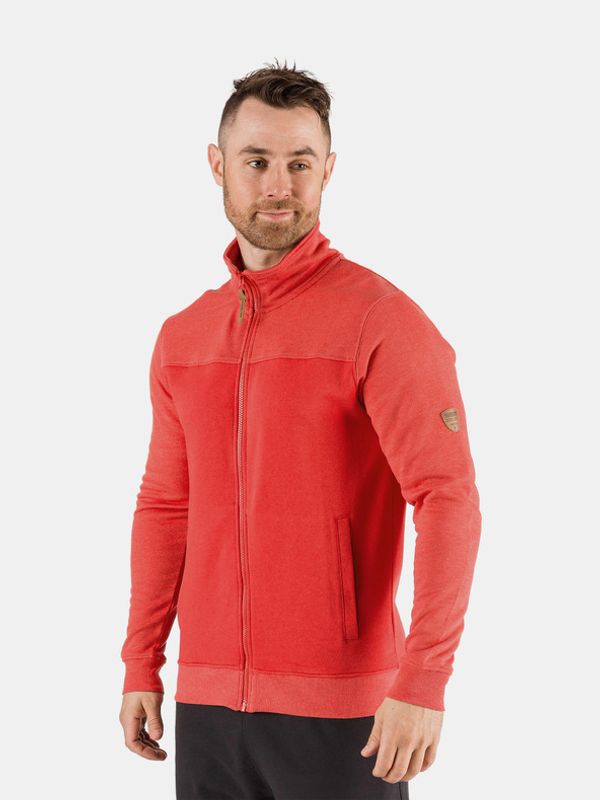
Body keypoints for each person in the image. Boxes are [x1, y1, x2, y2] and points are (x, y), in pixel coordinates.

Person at [118, 57, 482, 800]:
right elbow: (165, 507)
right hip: (208, 706)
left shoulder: (381, 321)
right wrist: (141, 663)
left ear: (328, 170)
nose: (278, 184)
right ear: (218, 165)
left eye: (300, 163)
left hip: (348, 711)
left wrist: (424, 679)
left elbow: (447, 498)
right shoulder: (183, 337)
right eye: (257, 161)